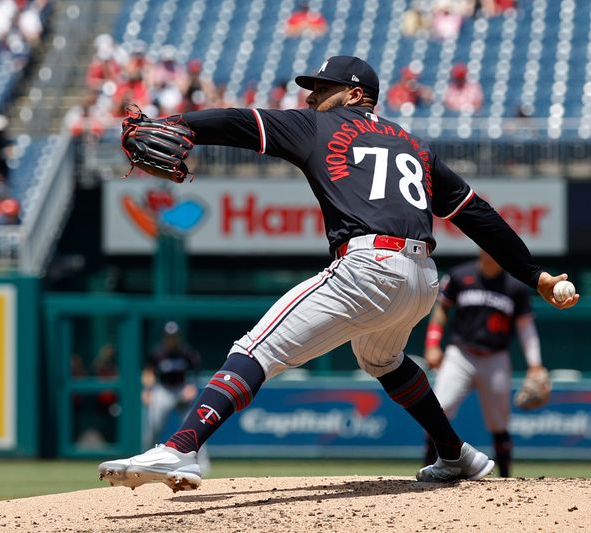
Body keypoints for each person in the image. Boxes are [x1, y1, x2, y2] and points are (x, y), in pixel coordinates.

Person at [98, 55, 578, 492]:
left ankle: (181, 448)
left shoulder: (318, 126)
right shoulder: (414, 145)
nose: (310, 97)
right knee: (383, 361)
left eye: (321, 88)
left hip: (369, 266)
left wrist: (178, 123)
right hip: (421, 278)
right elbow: (477, 214)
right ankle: (456, 455)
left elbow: (243, 123)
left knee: (254, 349)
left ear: (354, 95)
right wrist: (536, 276)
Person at [423, 249, 543, 477]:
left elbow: (525, 327)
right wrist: (432, 343)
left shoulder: (515, 286)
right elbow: (441, 309)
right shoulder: (460, 275)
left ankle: (506, 477)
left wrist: (535, 364)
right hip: (460, 355)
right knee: (439, 409)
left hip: (496, 358)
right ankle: (428, 468)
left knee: (499, 423)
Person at [141, 321, 210, 473]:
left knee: (195, 426)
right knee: (153, 427)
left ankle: (203, 464)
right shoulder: (158, 353)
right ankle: (145, 461)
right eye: (169, 336)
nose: (171, 339)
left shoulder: (185, 352)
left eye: (174, 336)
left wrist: (191, 386)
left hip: (180, 389)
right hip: (163, 390)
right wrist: (147, 389)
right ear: (165, 337)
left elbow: (197, 370)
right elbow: (148, 371)